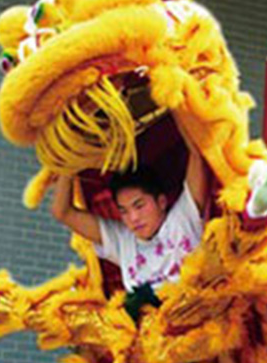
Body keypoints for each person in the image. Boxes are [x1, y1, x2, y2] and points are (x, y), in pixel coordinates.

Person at [48, 114, 211, 303]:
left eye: (139, 206)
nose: (133, 218)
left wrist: (174, 100)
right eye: (123, 210)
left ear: (161, 202)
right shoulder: (123, 241)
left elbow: (197, 156)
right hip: (148, 330)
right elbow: (62, 212)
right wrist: (69, 158)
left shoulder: (183, 220)